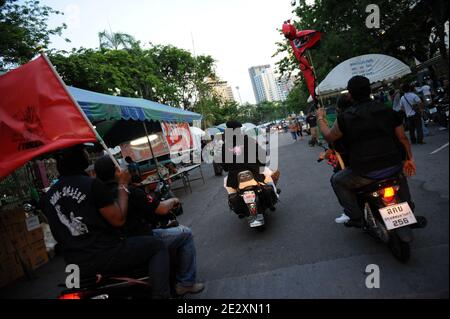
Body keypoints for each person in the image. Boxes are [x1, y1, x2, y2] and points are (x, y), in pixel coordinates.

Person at [42, 145, 171, 298]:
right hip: (106, 256)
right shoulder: (92, 185)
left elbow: (57, 234)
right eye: (84, 152)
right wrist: (123, 184)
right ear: (78, 158)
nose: (87, 155)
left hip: (73, 266)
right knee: (157, 245)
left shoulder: (47, 197)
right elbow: (118, 220)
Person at [94, 155, 204, 296]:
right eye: (119, 167)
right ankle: (186, 283)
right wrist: (174, 199)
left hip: (115, 246)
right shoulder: (129, 191)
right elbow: (162, 209)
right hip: (141, 240)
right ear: (116, 171)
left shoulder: (100, 197)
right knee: (186, 233)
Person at [316, 76, 417, 227]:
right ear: (370, 90)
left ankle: (356, 217)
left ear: (350, 94)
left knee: (337, 180)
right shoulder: (387, 110)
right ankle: (408, 206)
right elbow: (403, 138)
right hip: (393, 165)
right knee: (400, 173)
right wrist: (410, 159)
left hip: (364, 172)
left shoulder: (345, 117)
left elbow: (330, 136)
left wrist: (320, 119)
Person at [219, 120, 278, 226]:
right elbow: (262, 154)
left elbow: (224, 166)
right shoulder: (248, 140)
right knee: (269, 178)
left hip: (235, 177)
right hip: (254, 172)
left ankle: (241, 209)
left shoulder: (225, 145)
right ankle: (274, 196)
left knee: (231, 192)